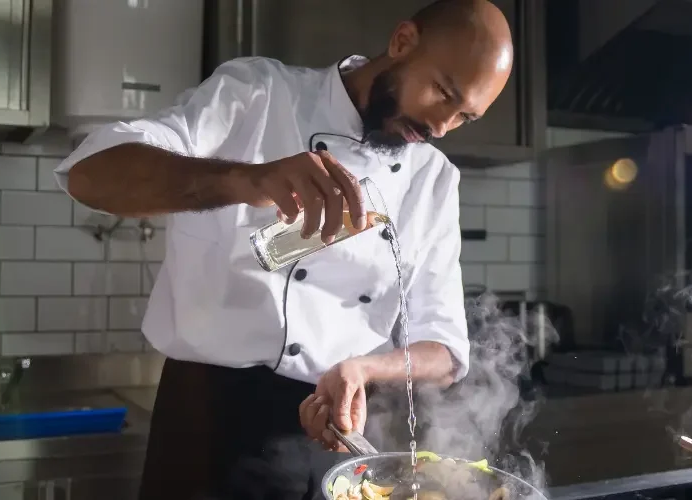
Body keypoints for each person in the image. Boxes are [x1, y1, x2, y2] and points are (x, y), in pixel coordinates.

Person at [51, 0, 514, 498]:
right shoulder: (258, 95)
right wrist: (247, 179)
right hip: (206, 415)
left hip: (332, 430)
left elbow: (444, 350)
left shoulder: (433, 178)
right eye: (443, 92)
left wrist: (363, 368)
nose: (441, 127)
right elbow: (90, 174)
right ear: (402, 42)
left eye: (465, 116)